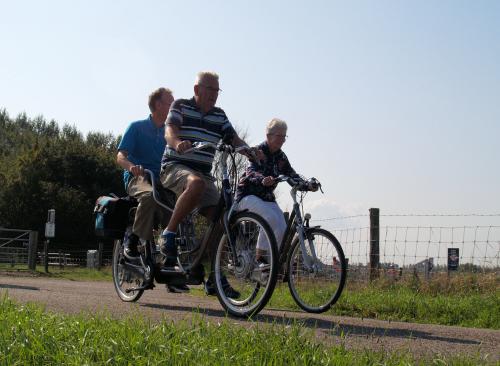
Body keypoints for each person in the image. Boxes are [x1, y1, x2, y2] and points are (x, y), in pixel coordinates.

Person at [160, 71, 251, 297]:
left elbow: (234, 138)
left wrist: (250, 152)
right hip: (175, 167)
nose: (214, 95)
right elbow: (169, 131)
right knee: (197, 184)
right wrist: (177, 142)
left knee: (223, 218)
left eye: (217, 91)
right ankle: (168, 235)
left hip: (203, 173)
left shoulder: (219, 116)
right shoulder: (181, 106)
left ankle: (215, 278)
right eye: (210, 90)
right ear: (197, 90)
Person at [116, 87, 173, 260]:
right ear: (158, 104)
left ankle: (170, 259)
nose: (174, 108)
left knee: (177, 209)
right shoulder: (136, 127)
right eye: (170, 103)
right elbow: (120, 157)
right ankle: (132, 240)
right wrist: (132, 167)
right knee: (149, 196)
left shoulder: (169, 133)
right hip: (138, 177)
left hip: (161, 179)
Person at [235, 118, 302, 261]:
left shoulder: (281, 156)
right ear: (268, 135)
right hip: (247, 195)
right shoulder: (258, 151)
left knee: (283, 229)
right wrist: (262, 179)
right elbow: (251, 171)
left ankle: (270, 264)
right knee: (270, 219)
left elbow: (291, 173)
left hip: (266, 197)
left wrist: (305, 184)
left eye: (285, 137)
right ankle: (260, 259)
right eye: (280, 136)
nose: (283, 140)